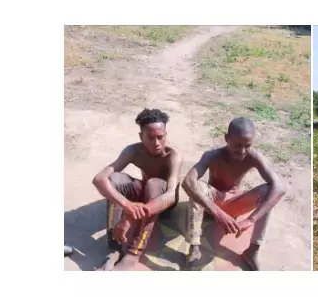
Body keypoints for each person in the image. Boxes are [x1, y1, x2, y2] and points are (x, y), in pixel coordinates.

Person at [182, 117, 286, 271]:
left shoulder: (253, 157)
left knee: (268, 192)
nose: (242, 150)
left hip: (234, 205)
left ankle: (252, 251)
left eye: (247, 145)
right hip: (212, 205)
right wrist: (217, 212)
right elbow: (187, 181)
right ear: (226, 138)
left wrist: (251, 220)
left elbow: (280, 188)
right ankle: (194, 247)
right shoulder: (212, 155)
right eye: (237, 145)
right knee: (197, 187)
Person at [91, 108, 182, 271]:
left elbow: (171, 196)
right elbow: (99, 179)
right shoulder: (133, 151)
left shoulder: (173, 156)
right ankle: (114, 248)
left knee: (154, 183)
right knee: (114, 179)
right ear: (141, 137)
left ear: (166, 134)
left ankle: (133, 255)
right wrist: (126, 205)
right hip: (142, 198)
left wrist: (129, 217)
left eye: (160, 137)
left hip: (162, 205)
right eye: (150, 138)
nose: (157, 143)